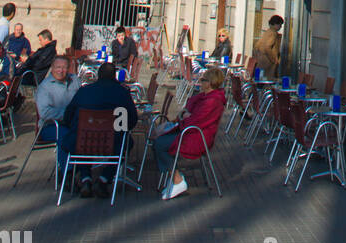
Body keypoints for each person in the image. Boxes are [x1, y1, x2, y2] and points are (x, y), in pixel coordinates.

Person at [58, 63, 138, 198]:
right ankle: (104, 179)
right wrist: (120, 130)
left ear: (98, 76)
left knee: (83, 139)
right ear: (114, 77)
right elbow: (132, 120)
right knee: (126, 143)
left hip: (82, 141)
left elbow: (68, 116)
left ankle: (86, 179)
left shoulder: (84, 91)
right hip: (111, 142)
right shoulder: (122, 92)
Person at [151, 65, 226, 200]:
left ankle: (177, 179)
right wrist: (185, 115)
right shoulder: (205, 97)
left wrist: (185, 117)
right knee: (160, 141)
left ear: (209, 83)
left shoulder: (212, 101)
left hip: (196, 137)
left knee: (160, 144)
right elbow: (188, 113)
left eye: (202, 80)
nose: (200, 81)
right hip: (190, 131)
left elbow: (195, 120)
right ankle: (173, 177)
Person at [34, 55, 80, 141]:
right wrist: (68, 114)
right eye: (58, 67)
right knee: (68, 136)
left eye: (64, 67)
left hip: (74, 123)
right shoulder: (44, 87)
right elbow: (44, 113)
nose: (61, 71)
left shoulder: (75, 80)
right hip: (51, 125)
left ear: (68, 68)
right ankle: (66, 154)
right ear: (52, 68)